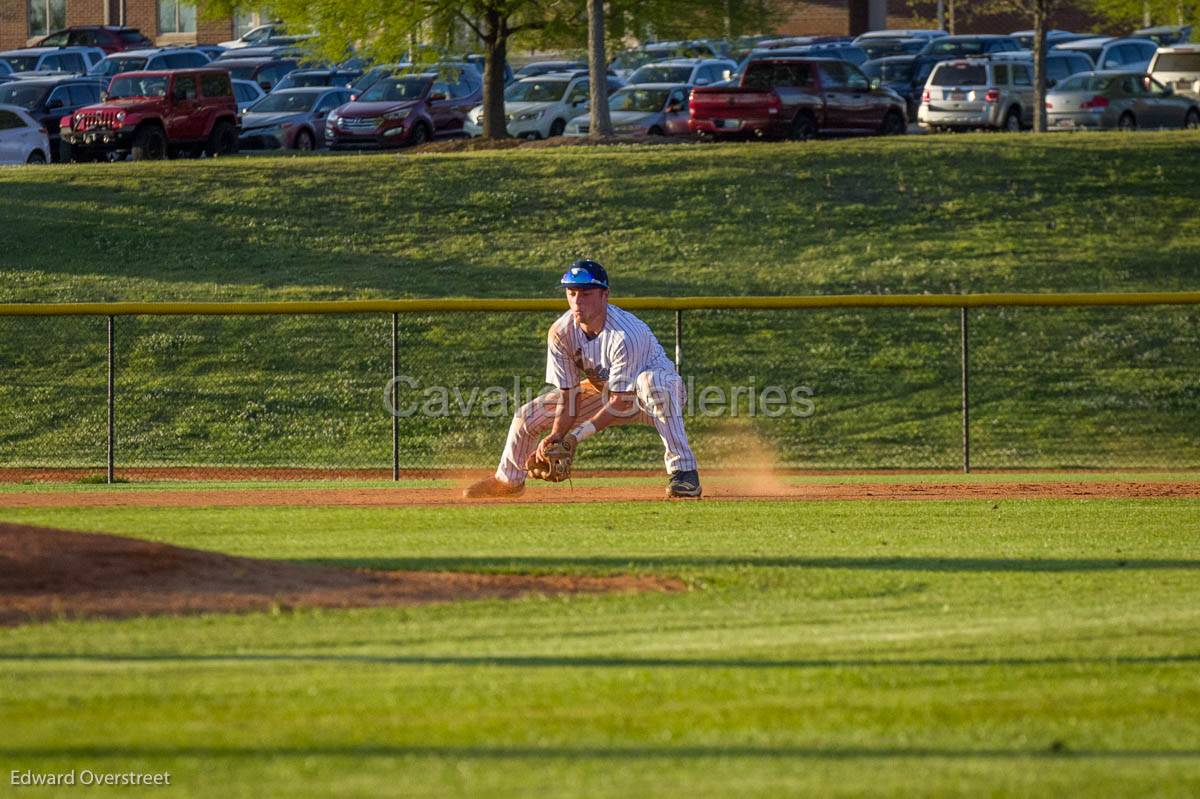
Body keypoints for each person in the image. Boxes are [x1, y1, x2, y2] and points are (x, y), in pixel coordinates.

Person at [464, 259, 702, 499]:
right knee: (527, 416)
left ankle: (685, 472)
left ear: (605, 295)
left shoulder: (625, 334)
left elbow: (621, 401)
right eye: (572, 292)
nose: (577, 300)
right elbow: (570, 395)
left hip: (655, 395)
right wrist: (556, 438)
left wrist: (575, 438)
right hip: (604, 394)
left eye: (586, 293)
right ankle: (508, 481)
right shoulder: (561, 332)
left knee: (652, 384)